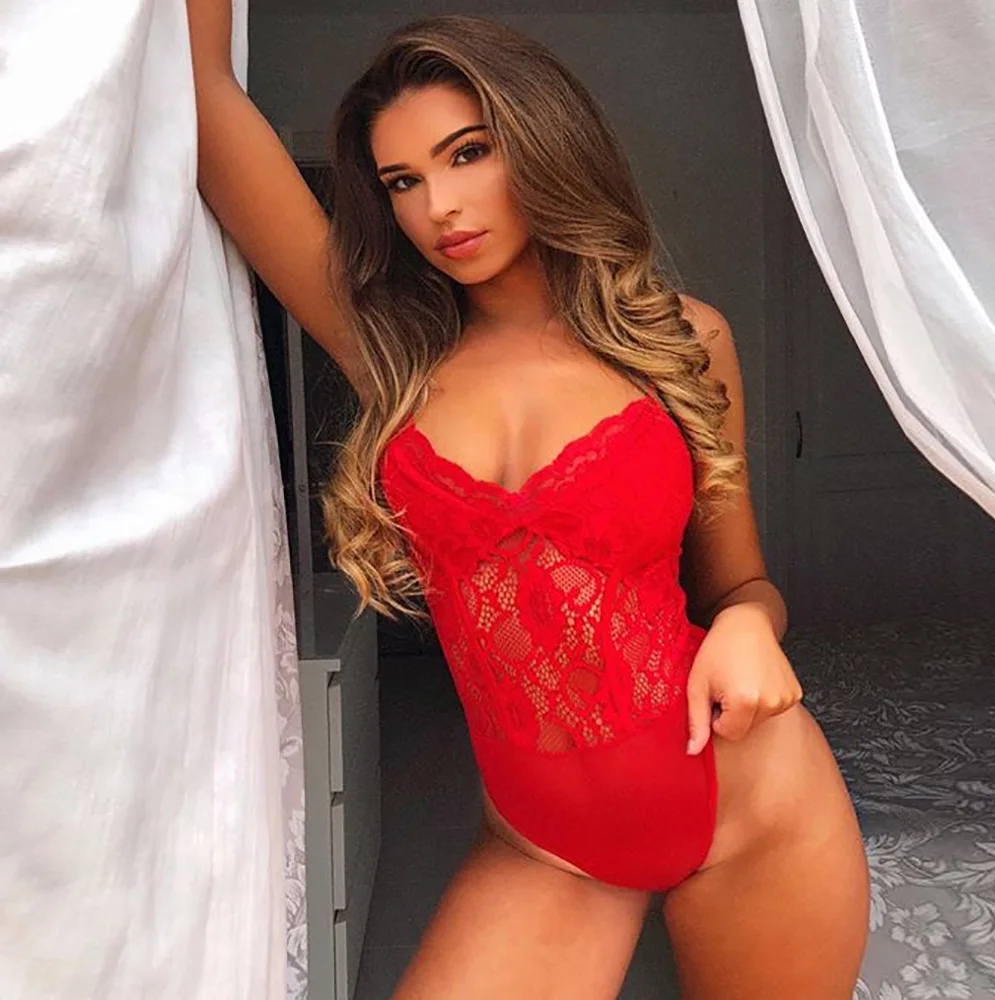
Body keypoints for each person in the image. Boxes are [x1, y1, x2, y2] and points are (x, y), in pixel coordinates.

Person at [187, 6, 870, 998]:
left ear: (541, 140)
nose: (440, 207)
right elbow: (207, 100)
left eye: (468, 153)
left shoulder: (681, 343)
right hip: (548, 849)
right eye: (402, 181)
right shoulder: (391, 356)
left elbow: (741, 585)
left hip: (755, 806)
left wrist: (750, 629)